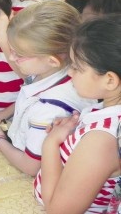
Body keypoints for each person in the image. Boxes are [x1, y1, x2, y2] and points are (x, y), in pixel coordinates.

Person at [0, 0, 94, 176]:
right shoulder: (50, 72)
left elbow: (31, 166)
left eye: (19, 54)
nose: (12, 58)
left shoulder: (50, 109)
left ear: (52, 60)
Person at [34, 14, 121, 213]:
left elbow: (58, 211)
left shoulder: (101, 140)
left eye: (77, 67)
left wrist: (51, 144)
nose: (70, 73)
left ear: (109, 80)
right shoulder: (106, 113)